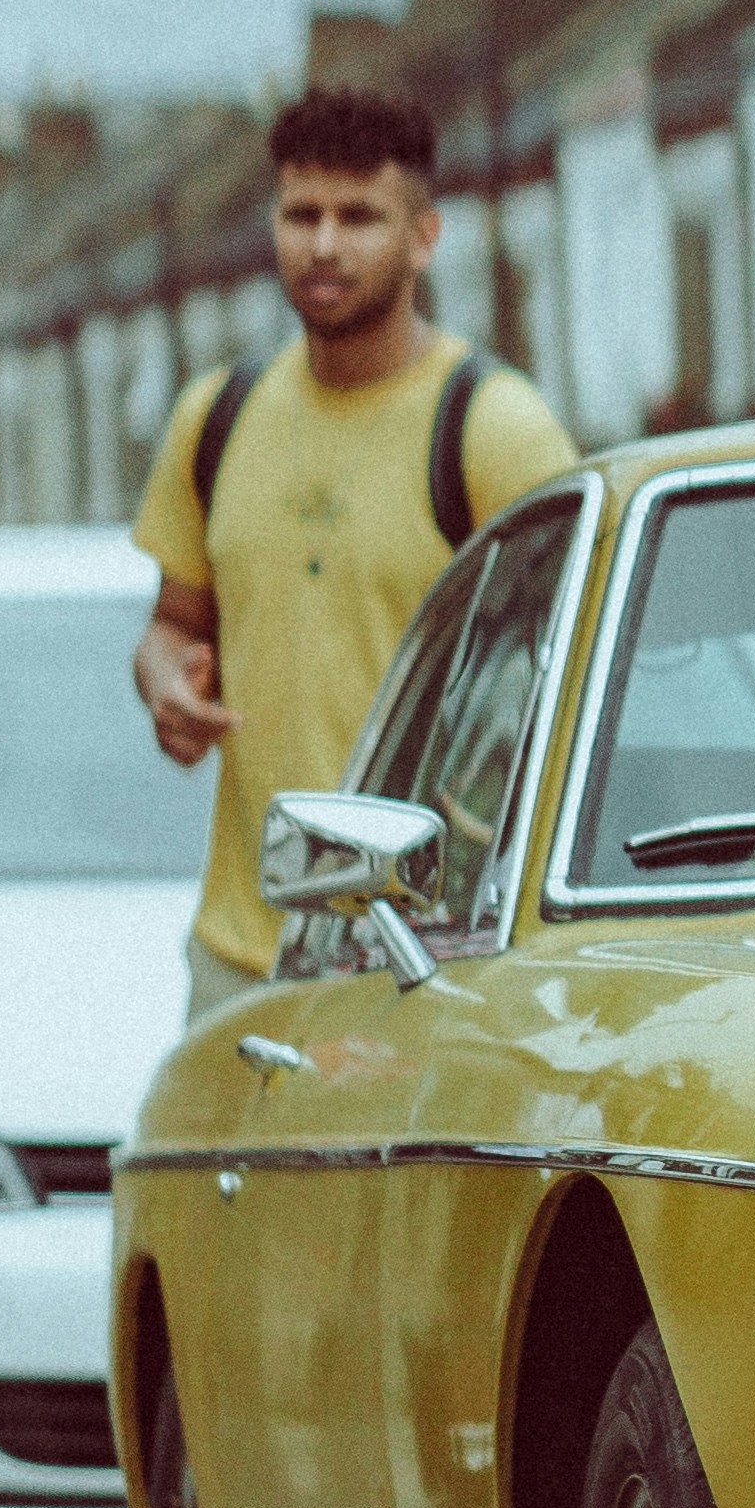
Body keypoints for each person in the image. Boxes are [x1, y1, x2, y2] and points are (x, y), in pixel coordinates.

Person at [130, 88, 579, 1023]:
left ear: (424, 236)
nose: (324, 245)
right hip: (240, 958)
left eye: (359, 217)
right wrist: (169, 689)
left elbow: (568, 688)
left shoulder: (494, 431)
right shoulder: (216, 416)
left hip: (424, 959)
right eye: (302, 215)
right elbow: (173, 626)